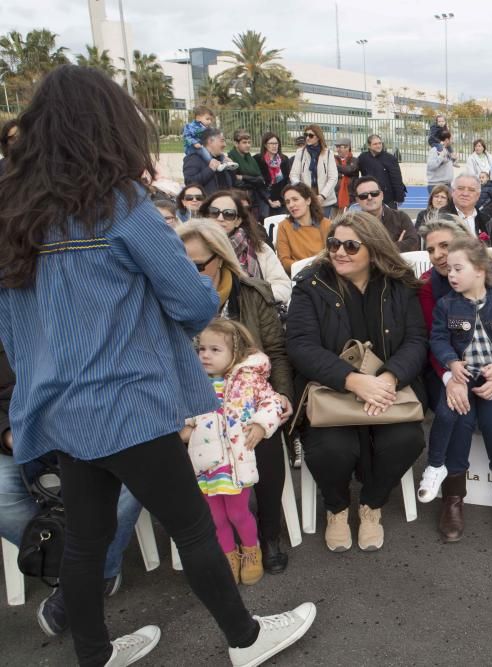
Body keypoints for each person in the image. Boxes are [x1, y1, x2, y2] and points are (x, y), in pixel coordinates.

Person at [0, 65, 314, 666]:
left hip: (61, 402)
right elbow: (196, 302)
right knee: (193, 525)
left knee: (87, 541)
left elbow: (13, 323)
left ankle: (94, 653)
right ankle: (246, 641)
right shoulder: (118, 205)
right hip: (128, 398)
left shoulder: (13, 212)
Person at [285, 212, 427, 552]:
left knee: (405, 440)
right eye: (334, 243)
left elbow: (416, 339)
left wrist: (390, 378)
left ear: (374, 249)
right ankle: (336, 507)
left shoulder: (398, 283)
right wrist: (352, 380)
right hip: (333, 390)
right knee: (332, 448)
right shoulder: (311, 284)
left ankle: (371, 504)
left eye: (351, 245)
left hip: (385, 387)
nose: (340, 252)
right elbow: (300, 345)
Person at [0, 343, 143, 638]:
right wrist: (8, 434)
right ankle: (84, 570)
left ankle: (82, 579)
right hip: (18, 430)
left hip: (93, 414)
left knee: (135, 470)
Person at [178, 220, 295, 575]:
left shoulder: (251, 293)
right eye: (182, 264)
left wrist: (283, 398)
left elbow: (275, 350)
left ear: (221, 259)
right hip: (194, 405)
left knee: (268, 444)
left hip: (250, 397)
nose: (192, 272)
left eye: (199, 264)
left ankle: (267, 533)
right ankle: (214, 540)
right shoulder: (169, 300)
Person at [418, 218, 492, 542]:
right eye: (431, 249)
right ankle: (453, 498)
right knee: (459, 412)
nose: (439, 255)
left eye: (445, 246)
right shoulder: (430, 287)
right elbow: (433, 341)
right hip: (454, 372)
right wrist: (449, 377)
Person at [181, 319, 283, 586]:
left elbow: (272, 402)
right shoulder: (194, 383)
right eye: (202, 349)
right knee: (215, 516)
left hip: (235, 462)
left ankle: (251, 550)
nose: (205, 355)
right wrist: (184, 428)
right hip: (205, 464)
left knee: (237, 513)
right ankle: (229, 555)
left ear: (235, 353)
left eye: (215, 350)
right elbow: (181, 413)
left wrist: (262, 424)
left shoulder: (248, 380)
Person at [198, 190, 292, 304]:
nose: (220, 218)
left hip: (253, 315)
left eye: (228, 214)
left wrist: (252, 298)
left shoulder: (259, 248)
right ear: (207, 216)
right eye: (214, 212)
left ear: (237, 221)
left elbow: (283, 286)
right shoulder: (192, 248)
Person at [276, 183, 333, 275]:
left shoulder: (326, 224)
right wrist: (306, 269)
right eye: (287, 202)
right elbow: (284, 261)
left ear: (308, 201)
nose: (291, 205)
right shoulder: (284, 226)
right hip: (299, 276)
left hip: (325, 274)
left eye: (295, 199)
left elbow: (332, 255)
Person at [354, 176, 419, 252]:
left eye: (374, 193)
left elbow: (414, 243)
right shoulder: (353, 223)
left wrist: (375, 250)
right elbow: (353, 250)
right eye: (363, 196)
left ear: (382, 195)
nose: (369, 197)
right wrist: (396, 246)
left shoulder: (401, 217)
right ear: (357, 200)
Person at [288, 124, 337, 219]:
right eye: (306, 135)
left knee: (323, 228)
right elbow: (293, 175)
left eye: (311, 136)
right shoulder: (300, 152)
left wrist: (322, 196)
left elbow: (333, 177)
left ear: (318, 137)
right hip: (306, 196)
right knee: (308, 227)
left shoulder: (328, 153)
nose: (307, 138)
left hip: (324, 199)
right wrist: (303, 191)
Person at [228, 129, 268, 220]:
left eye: (249, 142)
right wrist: (253, 180)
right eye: (244, 142)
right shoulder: (231, 159)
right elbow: (236, 183)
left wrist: (243, 177)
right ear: (236, 143)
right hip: (240, 200)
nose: (248, 145)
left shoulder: (251, 159)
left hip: (254, 198)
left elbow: (261, 180)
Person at [358, 134, 407, 208]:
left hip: (388, 199)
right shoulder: (363, 158)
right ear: (369, 146)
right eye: (375, 144)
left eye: (380, 143)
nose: (378, 146)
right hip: (370, 198)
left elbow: (397, 180)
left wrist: (399, 198)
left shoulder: (390, 159)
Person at [183, 127, 236, 196]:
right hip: (208, 205)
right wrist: (210, 170)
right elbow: (190, 183)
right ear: (210, 141)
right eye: (222, 141)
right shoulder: (194, 158)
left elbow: (231, 184)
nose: (225, 144)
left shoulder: (222, 159)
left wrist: (231, 169)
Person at [183, 106, 236, 172]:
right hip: (192, 149)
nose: (210, 121)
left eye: (211, 120)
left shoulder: (207, 128)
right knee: (203, 150)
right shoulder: (189, 126)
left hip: (202, 146)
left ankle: (225, 161)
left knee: (215, 149)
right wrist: (194, 143)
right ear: (198, 118)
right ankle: (213, 163)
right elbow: (186, 137)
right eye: (207, 119)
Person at [446, 173, 492, 241]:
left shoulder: (487, 221)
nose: (465, 194)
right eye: (460, 188)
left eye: (471, 190)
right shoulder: (440, 219)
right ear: (453, 192)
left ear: (478, 195)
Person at [253, 132, 291, 218]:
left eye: (276, 143)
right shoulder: (257, 159)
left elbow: (287, 182)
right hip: (264, 198)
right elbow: (257, 183)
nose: (274, 146)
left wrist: (281, 201)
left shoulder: (284, 159)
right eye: (271, 143)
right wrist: (268, 199)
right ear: (265, 145)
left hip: (280, 198)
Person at [332, 138, 359, 214]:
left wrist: (335, 166)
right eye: (337, 147)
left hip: (350, 196)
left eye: (340, 147)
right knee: (334, 221)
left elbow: (349, 170)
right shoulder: (333, 159)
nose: (337, 149)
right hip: (336, 197)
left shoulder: (354, 160)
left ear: (348, 147)